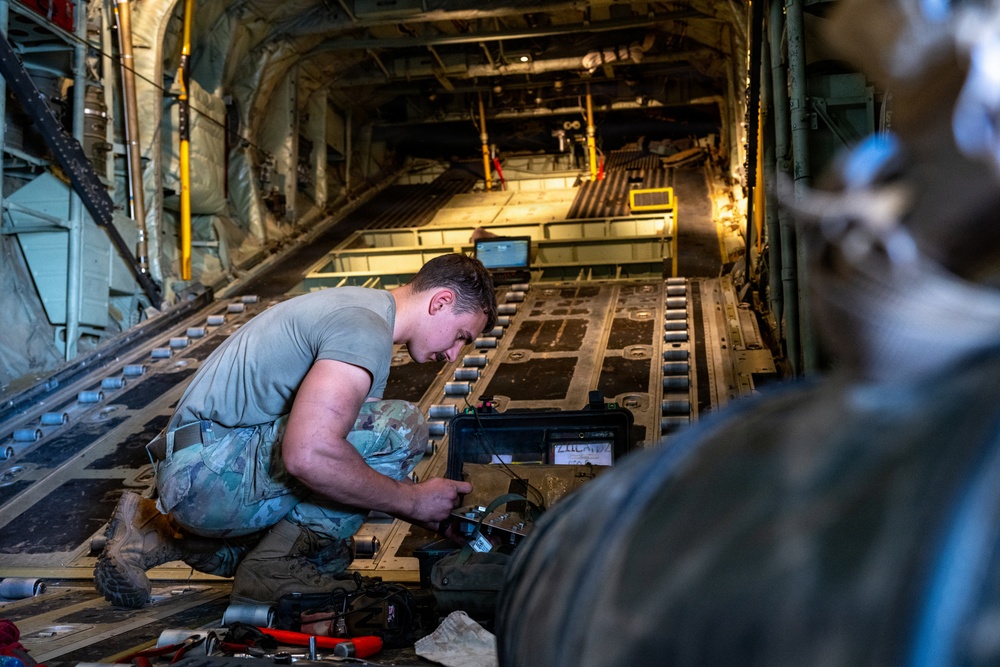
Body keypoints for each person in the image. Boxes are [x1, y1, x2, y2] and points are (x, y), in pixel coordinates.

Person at [94, 252, 498, 608]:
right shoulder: (363, 327)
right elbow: (309, 454)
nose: (452, 355)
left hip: (197, 473)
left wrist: (433, 516)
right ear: (441, 301)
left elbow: (354, 460)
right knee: (404, 427)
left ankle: (151, 532)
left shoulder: (360, 310)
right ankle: (269, 569)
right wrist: (409, 502)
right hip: (207, 473)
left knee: (328, 555)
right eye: (461, 336)